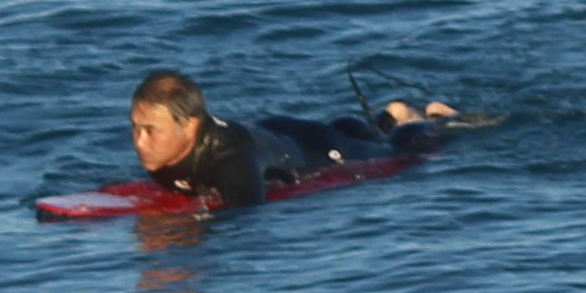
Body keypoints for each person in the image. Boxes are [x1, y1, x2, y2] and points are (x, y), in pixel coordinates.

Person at [127, 70, 462, 208]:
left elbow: (244, 209)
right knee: (349, 128)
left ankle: (433, 120)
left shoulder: (230, 162)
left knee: (392, 150)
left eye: (151, 131)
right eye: (135, 128)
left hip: (316, 150)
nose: (139, 142)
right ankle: (389, 115)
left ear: (189, 127)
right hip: (276, 134)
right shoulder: (177, 141)